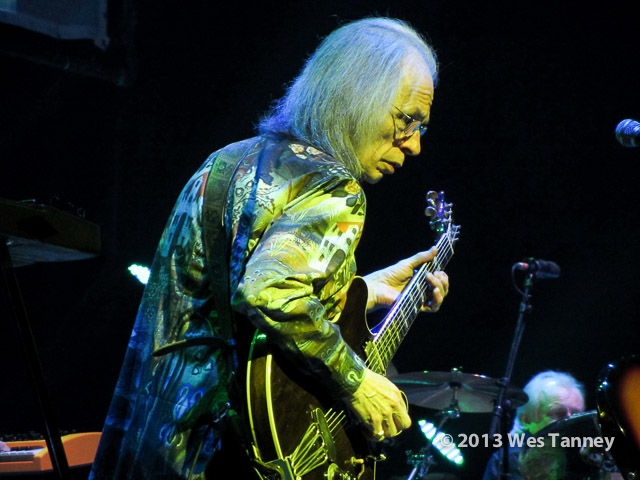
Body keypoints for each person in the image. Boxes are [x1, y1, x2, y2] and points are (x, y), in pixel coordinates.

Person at [89, 17, 449, 480]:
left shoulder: (226, 160)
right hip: (225, 455)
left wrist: (361, 290)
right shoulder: (335, 188)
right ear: (358, 98)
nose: (414, 144)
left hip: (154, 440)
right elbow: (267, 292)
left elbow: (225, 294)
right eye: (407, 119)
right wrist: (357, 381)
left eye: (421, 127)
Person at [482, 370, 586, 480]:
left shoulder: (576, 452)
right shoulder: (512, 460)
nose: (570, 421)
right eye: (558, 413)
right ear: (526, 420)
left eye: (576, 414)